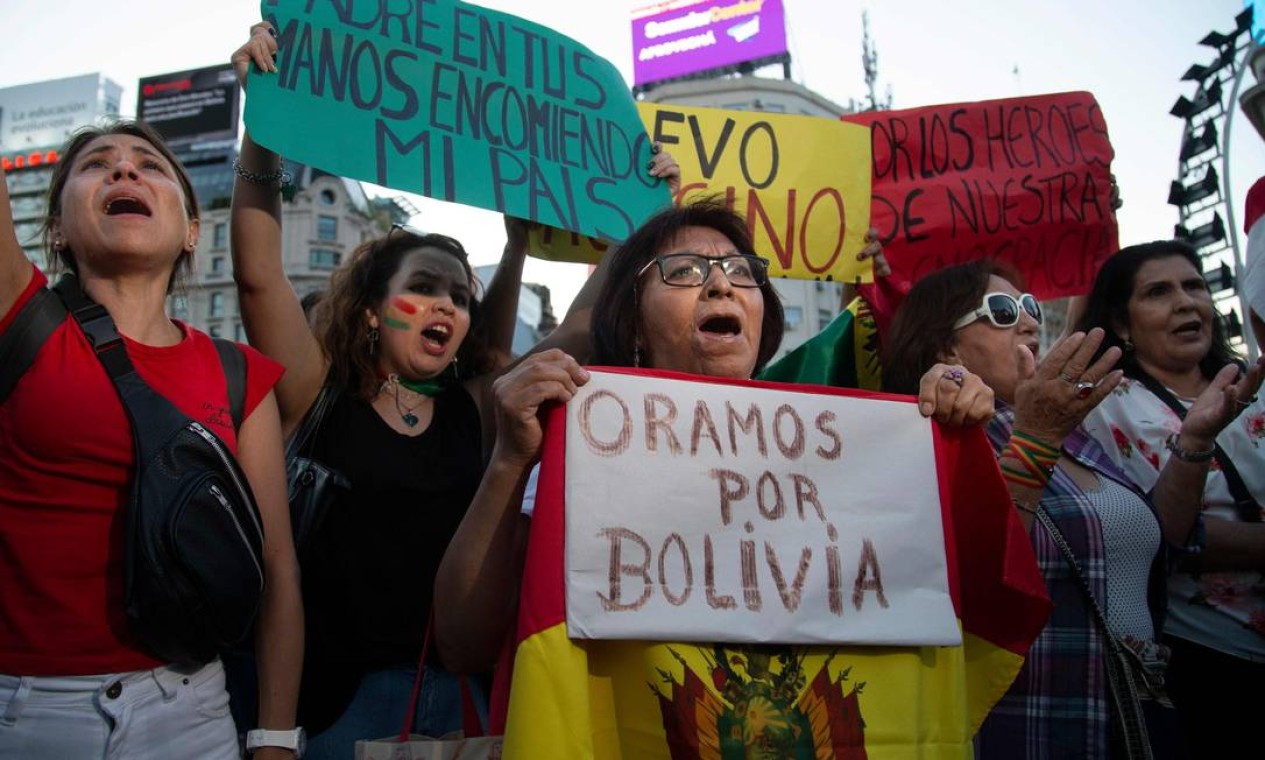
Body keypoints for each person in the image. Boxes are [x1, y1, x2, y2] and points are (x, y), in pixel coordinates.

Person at [230, 23, 682, 758]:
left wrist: (648, 212)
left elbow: (578, 327)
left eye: (459, 296)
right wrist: (266, 122)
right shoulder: (317, 394)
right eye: (424, 289)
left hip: (468, 698)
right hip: (340, 709)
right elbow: (257, 274)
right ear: (373, 310)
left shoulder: (477, 408)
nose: (446, 306)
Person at [433, 198, 996, 690]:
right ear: (632, 323)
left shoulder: (840, 447)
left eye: (740, 271)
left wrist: (947, 434)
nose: (721, 283)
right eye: (684, 271)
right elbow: (464, 646)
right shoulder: (575, 444)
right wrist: (509, 461)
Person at [0, 122, 302, 759]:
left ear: (193, 230)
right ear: (56, 228)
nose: (124, 172)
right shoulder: (18, 315)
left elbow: (276, 564)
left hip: (190, 711)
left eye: (150, 165)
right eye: (97, 164)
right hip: (25, 713)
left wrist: (274, 739)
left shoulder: (239, 372)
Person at [880, 259, 1244, 757]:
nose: (1030, 322)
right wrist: (1034, 441)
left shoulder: (1077, 433)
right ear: (947, 345)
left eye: (1030, 307)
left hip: (1137, 721)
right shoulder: (941, 435)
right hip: (1036, 726)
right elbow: (975, 584)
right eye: (1003, 311)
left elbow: (1166, 544)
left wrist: (1195, 440)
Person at [1074, 240, 1265, 757]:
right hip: (1204, 663)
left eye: (1194, 286)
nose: (1185, 302)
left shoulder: (1257, 388)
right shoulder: (1101, 408)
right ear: (1121, 323)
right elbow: (1155, 537)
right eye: (1158, 292)